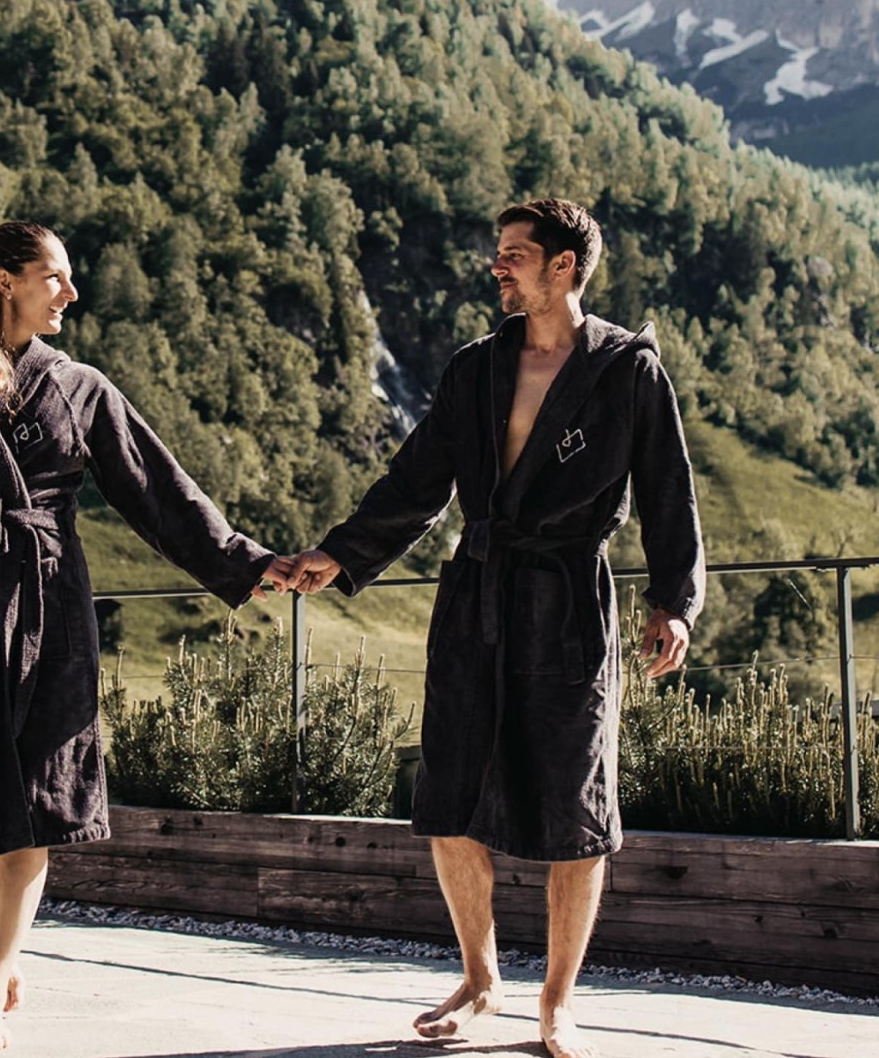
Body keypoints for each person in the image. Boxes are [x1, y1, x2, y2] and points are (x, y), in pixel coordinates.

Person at [0, 220, 293, 1052]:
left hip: (52, 604)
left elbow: (160, 493)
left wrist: (245, 563)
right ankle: (1, 945)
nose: (71, 293)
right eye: (54, 277)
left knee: (36, 801)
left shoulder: (79, 387)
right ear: (4, 282)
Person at [286, 198, 705, 1058]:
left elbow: (669, 492)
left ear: (564, 266)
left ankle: (558, 1001)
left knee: (574, 805)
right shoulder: (476, 368)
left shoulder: (627, 369)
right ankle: (481, 981)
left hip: (567, 603)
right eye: (499, 254)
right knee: (448, 797)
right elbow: (417, 480)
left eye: (515, 254)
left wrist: (675, 604)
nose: (498, 266)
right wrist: (341, 553)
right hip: (475, 595)